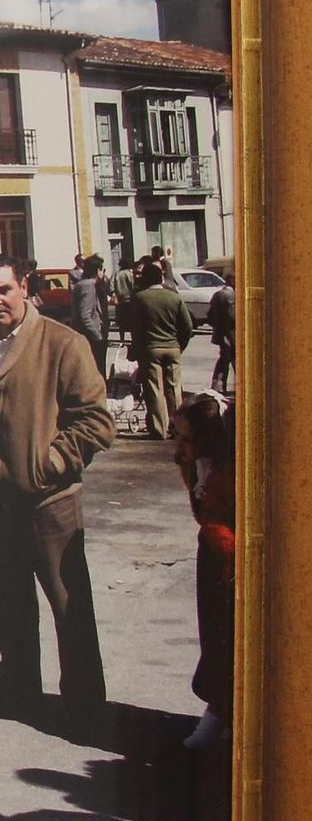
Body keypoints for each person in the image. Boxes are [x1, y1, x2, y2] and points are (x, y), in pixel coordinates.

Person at [0, 254, 116, 721]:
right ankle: (20, 692)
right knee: (10, 604)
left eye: (5, 289)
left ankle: (84, 707)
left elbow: (96, 423)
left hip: (49, 503)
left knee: (69, 607)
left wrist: (49, 464)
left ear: (23, 287)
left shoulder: (64, 343)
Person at [172, 391, 235, 748]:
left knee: (227, 641)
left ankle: (219, 713)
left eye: (186, 438)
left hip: (232, 556)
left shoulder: (231, 467)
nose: (179, 447)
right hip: (212, 552)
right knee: (213, 634)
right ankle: (221, 711)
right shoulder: (196, 463)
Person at [131, 262, 194, 440]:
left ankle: (159, 429)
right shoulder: (174, 297)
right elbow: (187, 325)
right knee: (174, 389)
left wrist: (136, 350)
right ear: (161, 278)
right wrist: (180, 344)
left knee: (155, 389)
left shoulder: (140, 298)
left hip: (150, 349)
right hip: (173, 347)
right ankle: (178, 428)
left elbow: (135, 328)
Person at [71, 255, 111, 381]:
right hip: (91, 336)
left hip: (95, 333)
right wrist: (97, 335)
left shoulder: (91, 284)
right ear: (97, 270)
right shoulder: (87, 286)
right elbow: (85, 314)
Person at [209, 272, 236, 394]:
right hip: (231, 335)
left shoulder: (216, 295)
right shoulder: (231, 296)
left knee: (224, 360)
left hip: (221, 335)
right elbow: (233, 317)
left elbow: (209, 316)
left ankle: (218, 386)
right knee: (233, 360)